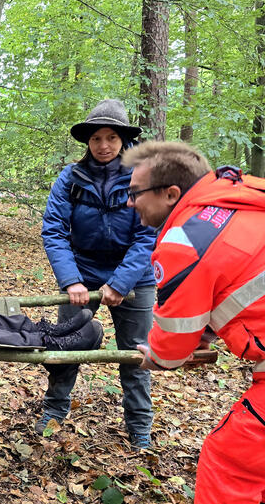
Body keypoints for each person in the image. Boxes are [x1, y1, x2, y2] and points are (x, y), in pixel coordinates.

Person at [125, 142, 265, 504]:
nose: (129, 203)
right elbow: (237, 276)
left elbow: (172, 342)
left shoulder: (185, 239)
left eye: (134, 193)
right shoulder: (238, 199)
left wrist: (156, 356)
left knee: (233, 461)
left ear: (171, 194)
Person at [37, 99, 156, 449]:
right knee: (66, 348)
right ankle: (54, 414)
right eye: (96, 139)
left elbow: (148, 233)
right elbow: (54, 229)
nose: (103, 146)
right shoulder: (70, 177)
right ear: (87, 142)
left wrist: (120, 282)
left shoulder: (143, 178)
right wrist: (71, 279)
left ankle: (140, 430)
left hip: (135, 277)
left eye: (111, 138)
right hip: (82, 270)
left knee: (135, 355)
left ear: (123, 140)